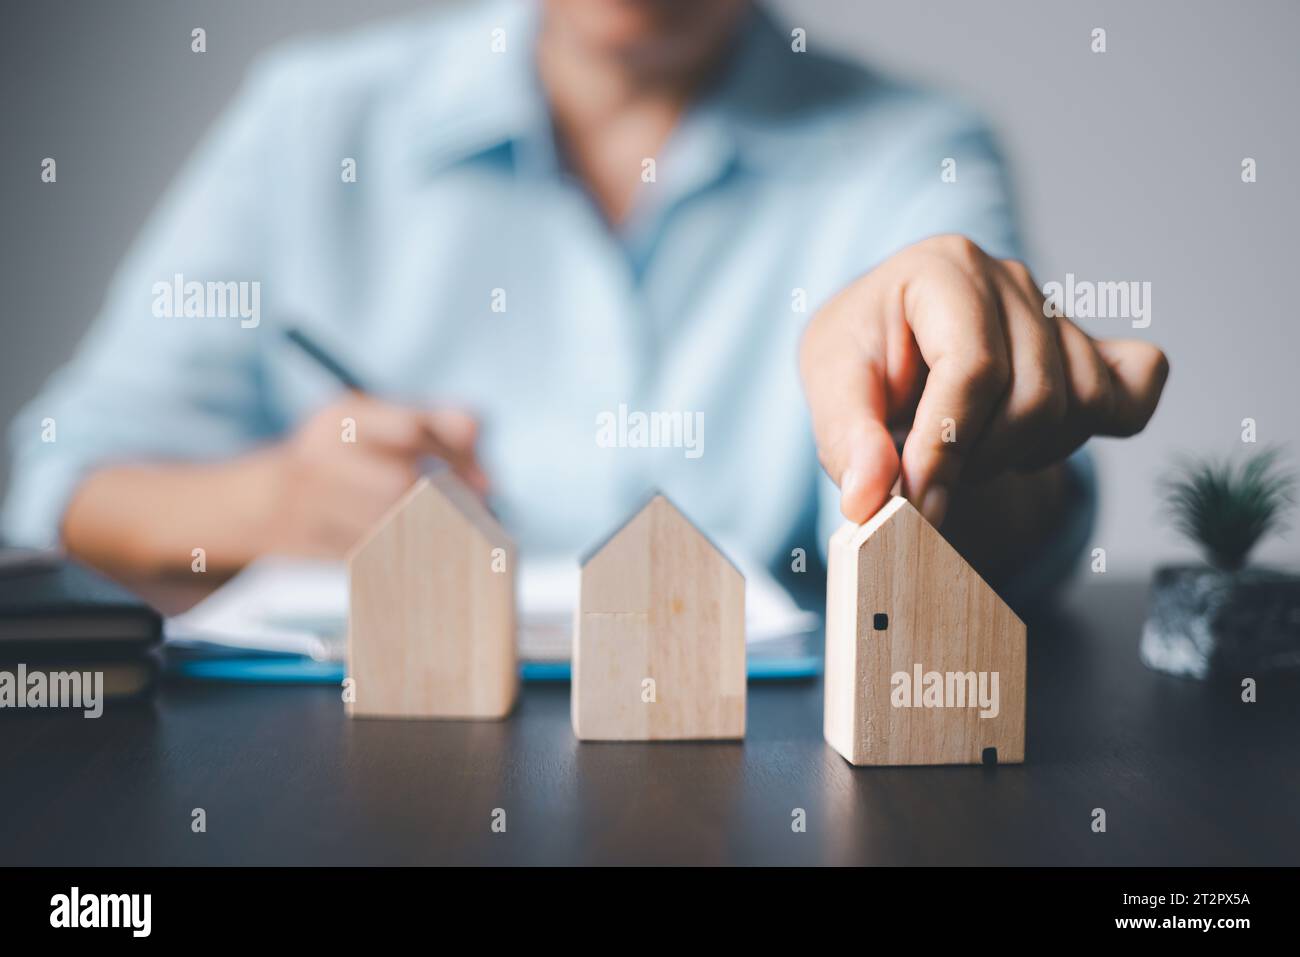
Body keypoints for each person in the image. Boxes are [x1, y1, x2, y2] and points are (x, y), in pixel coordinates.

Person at [2, 0, 1167, 602]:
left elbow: (980, 549)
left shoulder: (911, 154)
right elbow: (61, 475)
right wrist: (270, 504)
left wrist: (971, 429)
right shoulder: (311, 119)